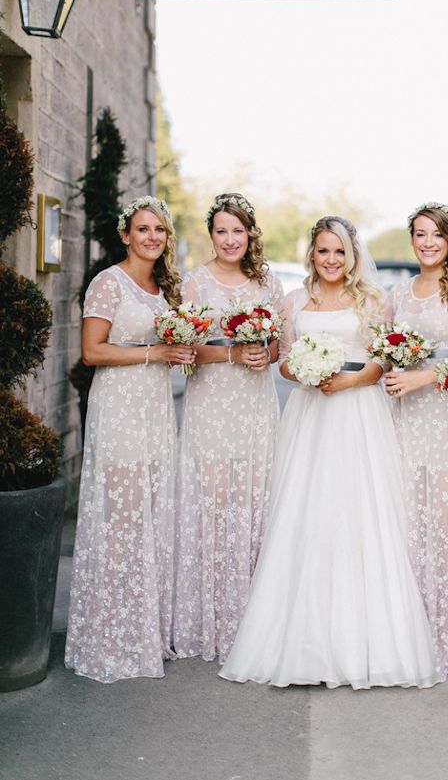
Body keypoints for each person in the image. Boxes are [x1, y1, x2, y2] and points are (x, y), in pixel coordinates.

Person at [219, 216, 439, 690]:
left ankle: (370, 645)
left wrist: (354, 379)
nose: (332, 259)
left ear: (352, 255)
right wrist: (308, 374)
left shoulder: (374, 300)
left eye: (339, 251)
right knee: (308, 514)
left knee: (359, 515)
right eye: (323, 251)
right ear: (312, 255)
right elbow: (283, 362)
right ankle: (301, 643)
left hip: (359, 412)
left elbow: (383, 356)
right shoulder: (294, 300)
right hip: (310, 416)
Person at [65, 196, 194, 682]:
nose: (152, 237)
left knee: (151, 515)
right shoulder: (108, 282)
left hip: (155, 409)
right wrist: (154, 351)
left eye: (160, 230)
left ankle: (144, 629)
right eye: (143, 229)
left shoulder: (163, 288)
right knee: (121, 518)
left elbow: (166, 347)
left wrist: (177, 351)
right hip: (119, 408)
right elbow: (92, 351)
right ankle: (112, 635)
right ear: (126, 235)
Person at [171, 193, 284, 663]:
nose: (230, 239)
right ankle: (210, 619)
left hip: (256, 405)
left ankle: (251, 623)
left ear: (249, 234)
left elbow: (278, 344)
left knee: (254, 501)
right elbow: (185, 348)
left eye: (238, 231)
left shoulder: (267, 282)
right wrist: (234, 352)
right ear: (211, 235)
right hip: (213, 404)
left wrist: (265, 353)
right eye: (221, 231)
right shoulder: (194, 283)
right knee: (213, 502)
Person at [383, 203, 448, 680]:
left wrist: (422, 378)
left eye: (435, 235)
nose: (426, 243)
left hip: (446, 418)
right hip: (405, 421)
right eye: (419, 234)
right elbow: (383, 349)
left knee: (447, 523)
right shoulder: (399, 291)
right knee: (410, 523)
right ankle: (413, 634)